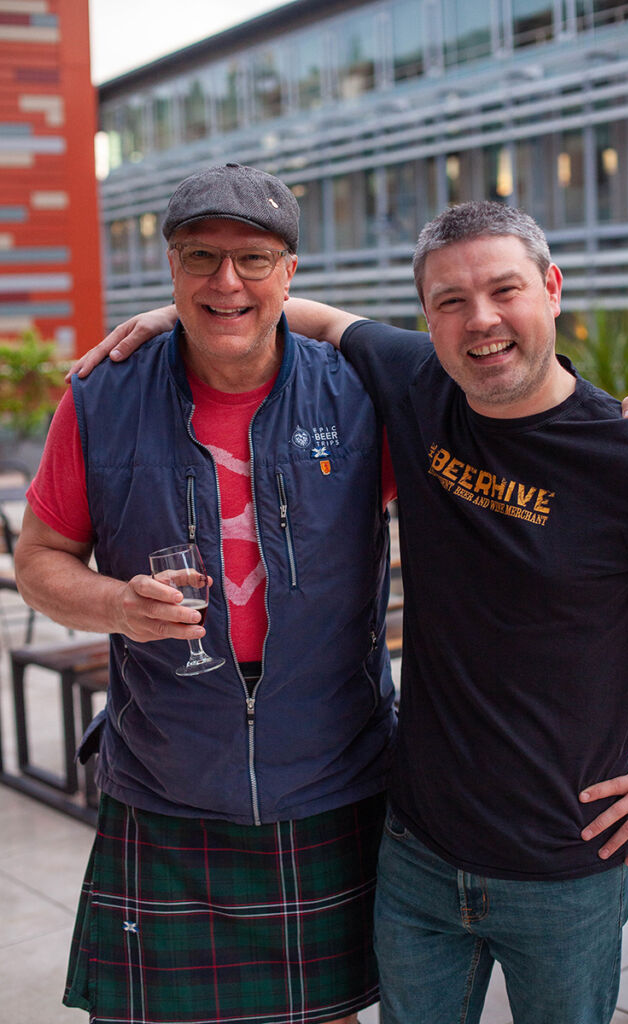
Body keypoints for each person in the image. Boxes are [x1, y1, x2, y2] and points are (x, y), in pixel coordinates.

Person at [79, 201, 628, 1024]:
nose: (482, 321)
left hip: (562, 869)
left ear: (550, 286)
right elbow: (313, 313)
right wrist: (174, 315)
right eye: (449, 301)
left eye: (504, 291)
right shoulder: (419, 384)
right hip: (413, 855)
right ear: (425, 317)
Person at [14, 163, 397, 1024]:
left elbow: (507, 424)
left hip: (332, 774)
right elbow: (40, 557)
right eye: (199, 257)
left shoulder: (361, 396)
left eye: (253, 259)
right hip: (166, 779)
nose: (226, 280)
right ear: (171, 269)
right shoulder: (99, 397)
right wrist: (113, 604)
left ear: (290, 273)